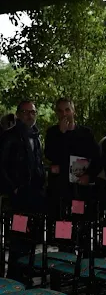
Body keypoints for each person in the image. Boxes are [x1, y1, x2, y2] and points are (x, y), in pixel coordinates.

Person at [0, 100, 46, 278]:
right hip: (19, 196)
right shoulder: (10, 136)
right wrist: (14, 189)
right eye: (26, 112)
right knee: (19, 237)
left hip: (35, 194)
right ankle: (15, 275)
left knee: (31, 237)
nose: (30, 115)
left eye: (33, 112)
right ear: (18, 114)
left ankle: (25, 272)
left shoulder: (35, 135)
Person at [44, 98, 101, 210]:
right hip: (59, 187)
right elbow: (50, 155)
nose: (64, 114)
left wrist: (89, 176)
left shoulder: (86, 133)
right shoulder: (52, 133)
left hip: (81, 186)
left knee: (79, 218)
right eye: (60, 111)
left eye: (67, 110)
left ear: (73, 111)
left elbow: (97, 158)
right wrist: (61, 134)